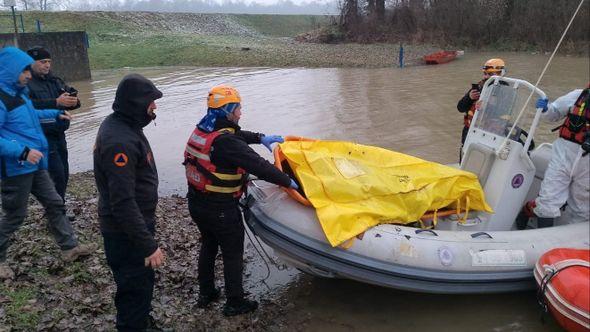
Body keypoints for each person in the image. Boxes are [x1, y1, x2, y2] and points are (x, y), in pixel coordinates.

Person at [184, 85, 298, 316]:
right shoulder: (227, 143)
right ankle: (235, 302)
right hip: (220, 208)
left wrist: (260, 138)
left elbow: (234, 135)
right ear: (228, 110)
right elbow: (260, 166)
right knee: (232, 252)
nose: (240, 113)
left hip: (197, 203)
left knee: (208, 244)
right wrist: (288, 181)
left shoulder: (204, 128)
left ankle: (207, 293)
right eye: (237, 108)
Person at [0, 47, 95, 280]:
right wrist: (22, 152)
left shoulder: (20, 93)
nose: (29, 75)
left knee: (54, 202)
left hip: (35, 163)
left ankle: (69, 248)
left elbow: (32, 115)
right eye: (24, 70)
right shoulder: (2, 98)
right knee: (15, 215)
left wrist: (55, 113)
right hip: (16, 167)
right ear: (11, 70)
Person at [94, 73, 166, 331]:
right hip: (125, 234)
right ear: (136, 102)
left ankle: (141, 321)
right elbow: (122, 201)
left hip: (132, 228)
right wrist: (148, 245)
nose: (154, 106)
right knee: (133, 289)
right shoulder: (120, 141)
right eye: (151, 101)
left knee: (140, 284)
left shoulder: (124, 125)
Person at [516, 86, 590, 229]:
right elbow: (554, 112)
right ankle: (527, 214)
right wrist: (545, 109)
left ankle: (570, 246)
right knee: (548, 201)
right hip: (563, 155)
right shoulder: (578, 95)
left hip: (587, 165)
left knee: (582, 209)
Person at [27, 46, 80, 218]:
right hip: (41, 136)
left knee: (63, 172)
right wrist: (56, 102)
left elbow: (69, 100)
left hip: (59, 133)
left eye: (49, 62)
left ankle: (58, 207)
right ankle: (56, 213)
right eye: (43, 62)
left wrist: (74, 100)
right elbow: (26, 108)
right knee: (56, 174)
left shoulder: (54, 80)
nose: (47, 65)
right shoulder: (25, 82)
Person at [457, 58, 506, 161]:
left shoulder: (507, 91)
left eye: (489, 74)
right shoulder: (479, 87)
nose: (485, 77)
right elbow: (460, 107)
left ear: (500, 74)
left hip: (490, 134)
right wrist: (469, 98)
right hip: (470, 131)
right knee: (465, 158)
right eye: (485, 73)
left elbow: (504, 114)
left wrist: (487, 107)